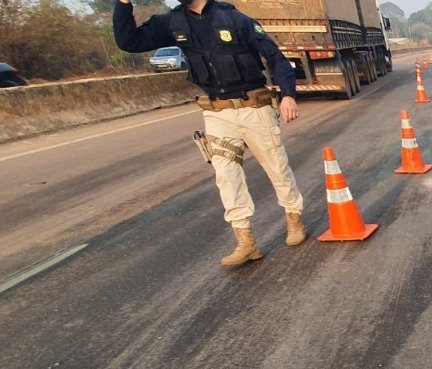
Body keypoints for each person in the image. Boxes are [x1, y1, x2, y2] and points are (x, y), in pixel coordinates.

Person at [114, 0, 307, 267]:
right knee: (226, 176)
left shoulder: (235, 19)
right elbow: (129, 41)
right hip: (216, 112)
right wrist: (123, 4)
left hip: (253, 107)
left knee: (277, 166)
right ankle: (246, 241)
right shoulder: (172, 22)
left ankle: (294, 218)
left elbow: (275, 57)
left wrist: (288, 95)